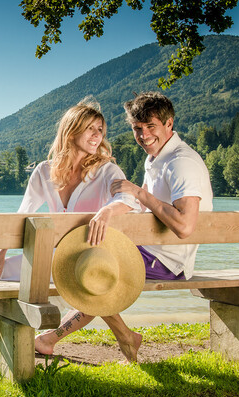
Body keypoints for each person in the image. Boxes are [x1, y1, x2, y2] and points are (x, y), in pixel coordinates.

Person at [0, 97, 141, 371]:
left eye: (101, 130)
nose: (98, 136)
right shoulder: (44, 171)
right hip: (52, 262)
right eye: (91, 129)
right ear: (71, 130)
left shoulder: (107, 171)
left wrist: (107, 212)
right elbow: (22, 213)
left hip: (85, 266)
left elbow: (130, 199)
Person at [34, 91, 213, 362]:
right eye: (137, 129)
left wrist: (139, 195)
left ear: (169, 124)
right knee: (91, 256)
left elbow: (185, 226)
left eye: (150, 127)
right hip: (151, 251)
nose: (143, 136)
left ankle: (58, 338)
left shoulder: (180, 162)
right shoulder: (157, 158)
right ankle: (117, 338)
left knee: (91, 263)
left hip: (168, 261)